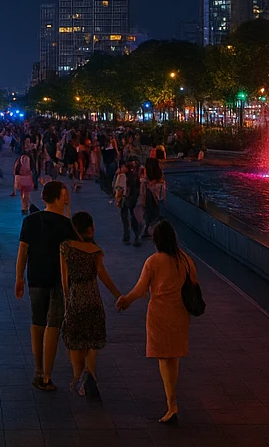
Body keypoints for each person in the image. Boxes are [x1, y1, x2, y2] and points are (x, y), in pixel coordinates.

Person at [116, 219, 198, 425]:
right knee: (174, 357)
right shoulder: (186, 260)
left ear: (156, 240)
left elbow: (141, 288)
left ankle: (172, 405)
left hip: (160, 314)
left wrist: (126, 300)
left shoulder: (153, 261)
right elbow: (194, 283)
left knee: (164, 358)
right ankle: (172, 401)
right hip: (180, 313)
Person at [15, 180, 74, 391]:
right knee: (54, 324)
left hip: (35, 277)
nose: (66, 198)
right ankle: (47, 376)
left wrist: (19, 278)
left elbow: (23, 250)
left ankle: (38, 370)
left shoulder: (31, 221)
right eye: (64, 195)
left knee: (37, 321)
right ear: (58, 197)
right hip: (57, 280)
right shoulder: (66, 225)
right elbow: (71, 256)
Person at [60, 210, 122, 399]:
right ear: (91, 228)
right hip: (93, 299)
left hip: (75, 297)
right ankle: (90, 374)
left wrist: (66, 301)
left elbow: (64, 280)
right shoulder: (96, 252)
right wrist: (118, 295)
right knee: (93, 340)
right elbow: (103, 276)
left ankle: (78, 377)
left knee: (75, 341)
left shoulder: (65, 248)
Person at [113, 158, 143, 245]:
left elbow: (117, 187)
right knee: (133, 218)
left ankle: (127, 237)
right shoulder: (135, 175)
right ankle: (135, 237)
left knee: (126, 218)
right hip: (132, 199)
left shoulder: (122, 175)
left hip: (125, 199)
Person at [142, 158, 167, 233]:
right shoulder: (161, 181)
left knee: (149, 214)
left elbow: (143, 197)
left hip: (151, 202)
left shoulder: (146, 183)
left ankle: (148, 230)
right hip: (158, 202)